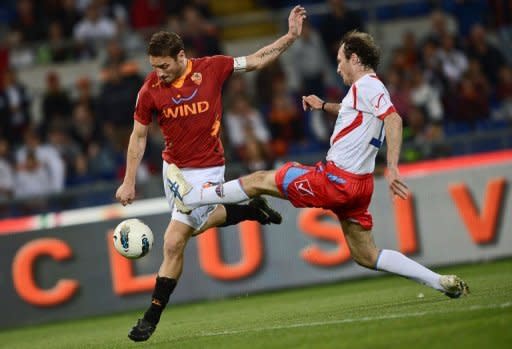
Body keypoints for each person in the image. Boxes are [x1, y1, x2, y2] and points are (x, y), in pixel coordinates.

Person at [168, 30, 470, 303]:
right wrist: (323, 105)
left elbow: (393, 119)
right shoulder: (363, 92)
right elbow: (354, 110)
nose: (337, 67)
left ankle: (194, 197)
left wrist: (392, 167)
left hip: (337, 180)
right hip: (359, 187)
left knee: (262, 179)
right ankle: (439, 281)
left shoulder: (368, 85)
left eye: (340, 60)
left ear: (354, 58)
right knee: (366, 255)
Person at [115, 5, 307, 342]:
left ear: (181, 57)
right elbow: (139, 136)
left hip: (209, 170)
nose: (158, 73)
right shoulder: (149, 90)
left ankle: (151, 318)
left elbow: (258, 59)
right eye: (154, 67)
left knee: (175, 240)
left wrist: (289, 37)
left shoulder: (213, 68)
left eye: (163, 66)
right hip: (173, 170)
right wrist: (129, 180)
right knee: (193, 229)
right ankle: (247, 209)